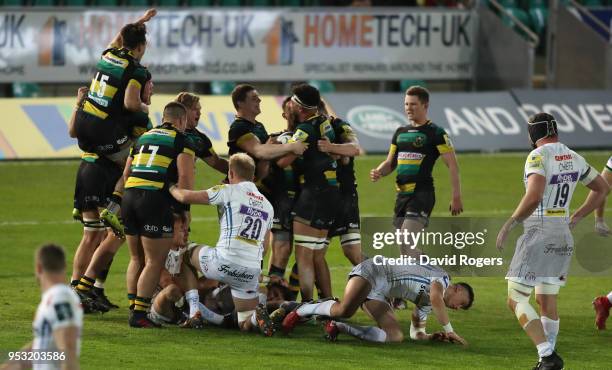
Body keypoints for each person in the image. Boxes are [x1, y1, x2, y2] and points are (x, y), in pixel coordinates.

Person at [496, 113, 609, 370]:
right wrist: (578, 216)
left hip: (539, 230)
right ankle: (546, 361)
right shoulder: (573, 156)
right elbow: (602, 188)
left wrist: (510, 223)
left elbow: (534, 195)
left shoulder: (537, 156)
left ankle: (547, 355)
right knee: (546, 300)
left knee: (515, 298)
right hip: (563, 233)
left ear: (534, 134)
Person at [168, 153, 275, 335]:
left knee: (183, 252)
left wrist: (171, 187)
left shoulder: (227, 190)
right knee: (244, 321)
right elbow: (264, 247)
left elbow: (186, 197)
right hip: (250, 272)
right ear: (253, 176)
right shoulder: (267, 205)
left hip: (222, 262)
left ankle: (194, 311)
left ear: (231, 173)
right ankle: (257, 318)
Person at [281, 258, 473, 345]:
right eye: (461, 303)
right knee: (345, 310)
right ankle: (302, 310)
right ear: (456, 289)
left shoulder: (429, 304)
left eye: (460, 308)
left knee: (395, 336)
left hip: (380, 293)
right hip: (374, 270)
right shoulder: (443, 279)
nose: (457, 307)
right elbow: (435, 297)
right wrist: (450, 331)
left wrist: (431, 337)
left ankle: (338, 327)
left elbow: (416, 333)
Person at [122, 101, 195, 328]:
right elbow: (185, 178)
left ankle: (134, 306)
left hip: (130, 196)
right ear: (182, 120)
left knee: (137, 258)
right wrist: (183, 211)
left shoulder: (143, 138)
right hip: (154, 200)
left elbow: (126, 173)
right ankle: (140, 315)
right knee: (154, 261)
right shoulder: (182, 140)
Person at [370, 86, 463, 256]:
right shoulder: (400, 132)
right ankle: (434, 274)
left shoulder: (436, 133)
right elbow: (390, 163)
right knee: (405, 250)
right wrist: (379, 171)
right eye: (406, 104)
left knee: (406, 243)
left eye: (413, 104)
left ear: (425, 106)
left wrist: (456, 196)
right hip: (401, 196)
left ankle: (437, 277)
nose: (408, 108)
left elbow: (452, 165)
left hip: (422, 194)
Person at [276, 84, 340, 302]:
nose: (290, 105)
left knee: (303, 257)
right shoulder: (325, 122)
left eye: (292, 101)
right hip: (332, 193)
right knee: (317, 256)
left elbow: (284, 161)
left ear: (301, 107)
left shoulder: (305, 129)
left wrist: (279, 144)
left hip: (313, 194)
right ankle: (327, 303)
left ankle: (308, 306)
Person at [73, 9, 156, 161]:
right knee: (139, 157)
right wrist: (143, 106)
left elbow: (121, 36)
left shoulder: (108, 54)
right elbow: (131, 104)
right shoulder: (136, 70)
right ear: (140, 47)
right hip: (103, 132)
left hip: (81, 126)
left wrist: (141, 21)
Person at [2, 244, 82, 370]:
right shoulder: (53, 298)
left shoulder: (60, 298)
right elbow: (40, 349)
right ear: (65, 267)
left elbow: (68, 348)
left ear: (39, 268)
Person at [317, 101, 363, 266]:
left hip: (345, 195)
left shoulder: (340, 126)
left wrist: (331, 147)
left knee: (352, 251)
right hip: (321, 198)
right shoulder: (310, 128)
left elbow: (355, 148)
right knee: (315, 254)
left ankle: (382, 284)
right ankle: (325, 293)